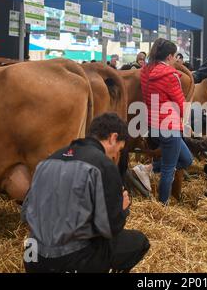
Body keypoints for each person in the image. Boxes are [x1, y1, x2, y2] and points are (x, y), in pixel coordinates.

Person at [21, 113, 150, 273]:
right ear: (113, 138)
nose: (117, 155)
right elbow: (110, 228)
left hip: (32, 259)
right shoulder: (103, 165)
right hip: (72, 262)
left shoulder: (48, 161)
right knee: (139, 242)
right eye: (120, 148)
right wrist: (122, 210)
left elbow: (26, 212)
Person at [136, 38, 193, 204]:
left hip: (153, 125)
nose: (176, 59)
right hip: (170, 126)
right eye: (175, 56)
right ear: (169, 56)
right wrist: (188, 121)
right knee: (169, 169)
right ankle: (163, 205)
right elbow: (180, 103)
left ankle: (146, 168)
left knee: (186, 159)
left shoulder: (145, 71)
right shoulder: (170, 76)